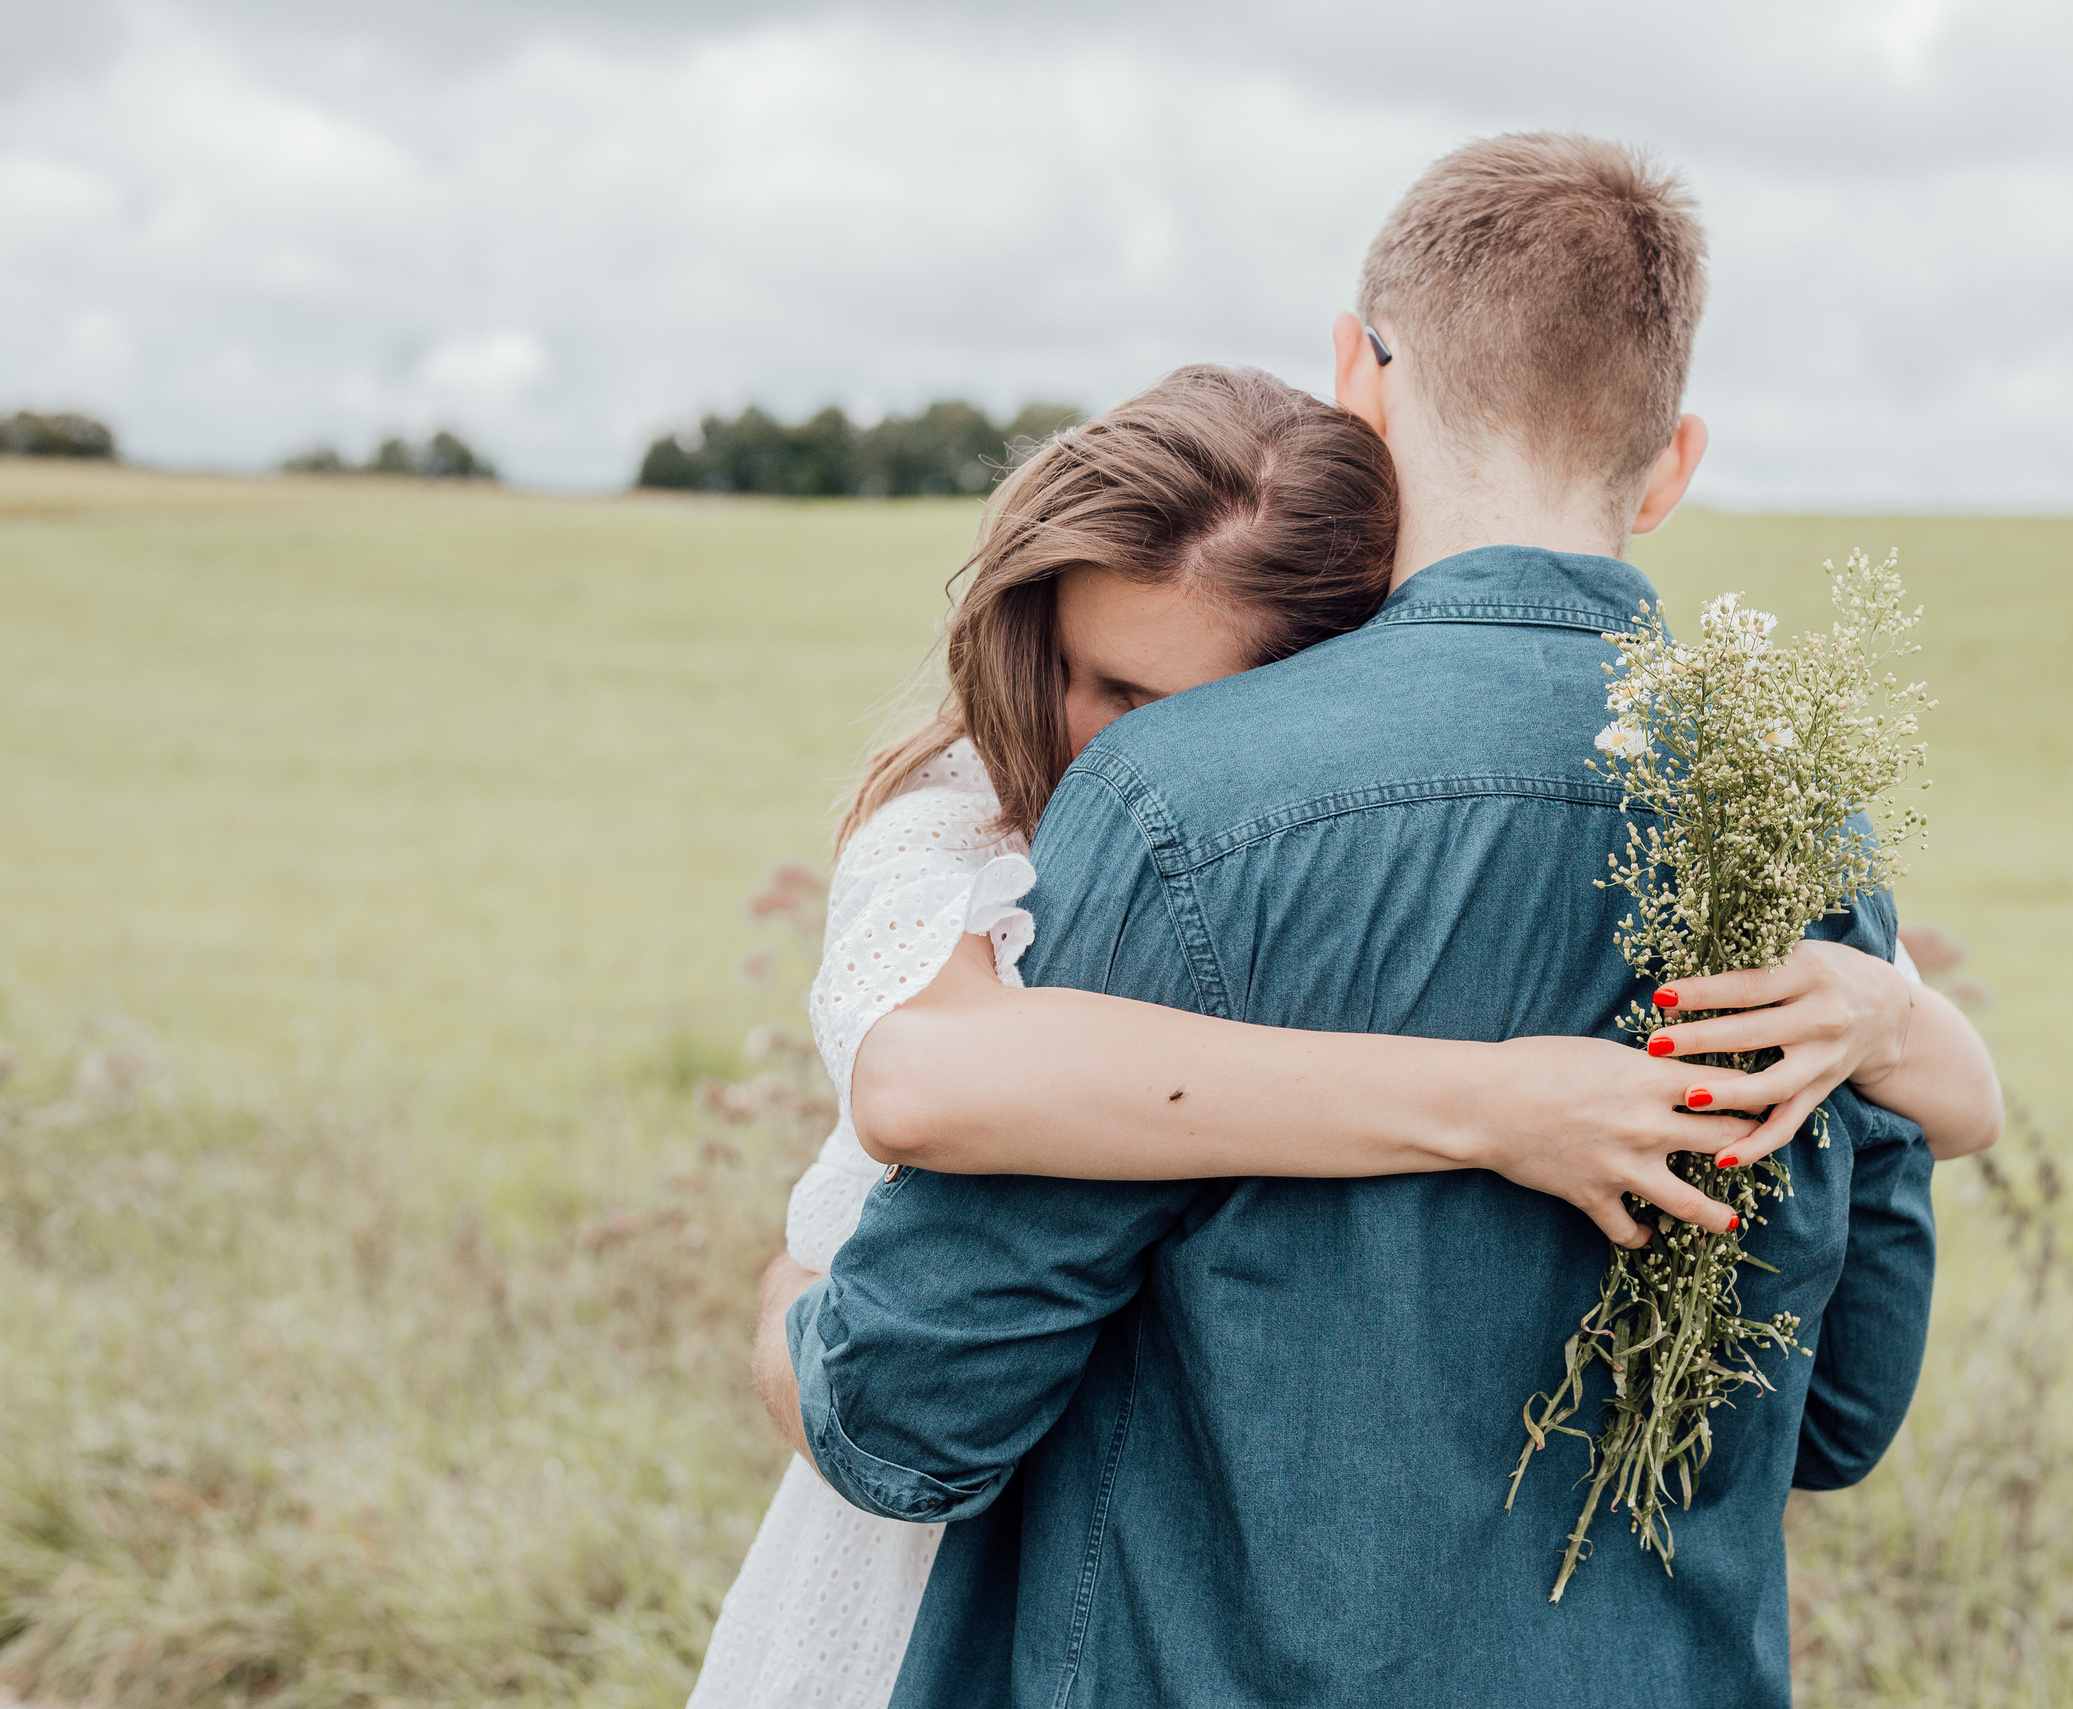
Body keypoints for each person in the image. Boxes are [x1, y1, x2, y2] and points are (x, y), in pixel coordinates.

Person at [750, 136, 1999, 1708]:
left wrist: (789, 1324)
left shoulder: (1170, 802)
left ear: (1360, 380)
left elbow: (913, 1414)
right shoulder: (1795, 832)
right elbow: (1837, 1415)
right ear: (1670, 462)